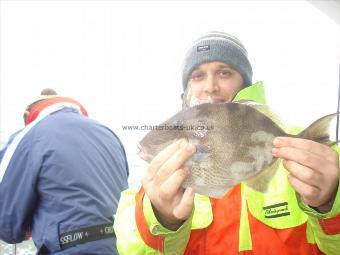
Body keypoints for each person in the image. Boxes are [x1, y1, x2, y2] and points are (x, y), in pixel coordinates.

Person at [114, 32, 340, 254]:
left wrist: (331, 202)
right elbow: (128, 245)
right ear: (187, 88)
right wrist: (162, 218)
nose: (210, 86)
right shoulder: (169, 160)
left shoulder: (308, 152)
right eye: (198, 75)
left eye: (224, 72)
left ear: (244, 81)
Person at [0, 89, 129, 255]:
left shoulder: (31, 134)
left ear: (28, 114)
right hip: (119, 246)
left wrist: (23, 229)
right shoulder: (109, 134)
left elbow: (6, 222)